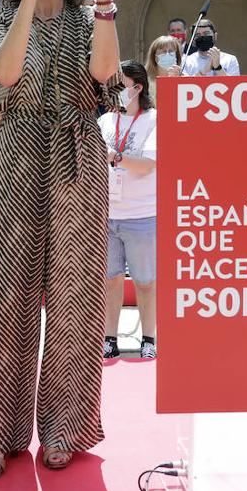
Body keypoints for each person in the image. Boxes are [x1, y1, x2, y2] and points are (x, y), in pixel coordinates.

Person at [0, 0, 132, 481]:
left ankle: (64, 429)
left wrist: (107, 2)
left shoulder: (91, 17)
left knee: (73, 300)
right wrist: (24, 0)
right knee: (11, 299)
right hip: (17, 157)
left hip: (78, 157)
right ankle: (1, 437)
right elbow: (4, 76)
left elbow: (106, 75)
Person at [97, 60, 158, 360]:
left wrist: (115, 157)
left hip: (142, 215)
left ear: (138, 87)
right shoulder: (106, 121)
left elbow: (148, 165)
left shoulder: (154, 120)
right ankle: (110, 338)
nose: (117, 90)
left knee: (145, 282)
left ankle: (149, 338)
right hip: (107, 215)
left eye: (122, 85)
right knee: (111, 280)